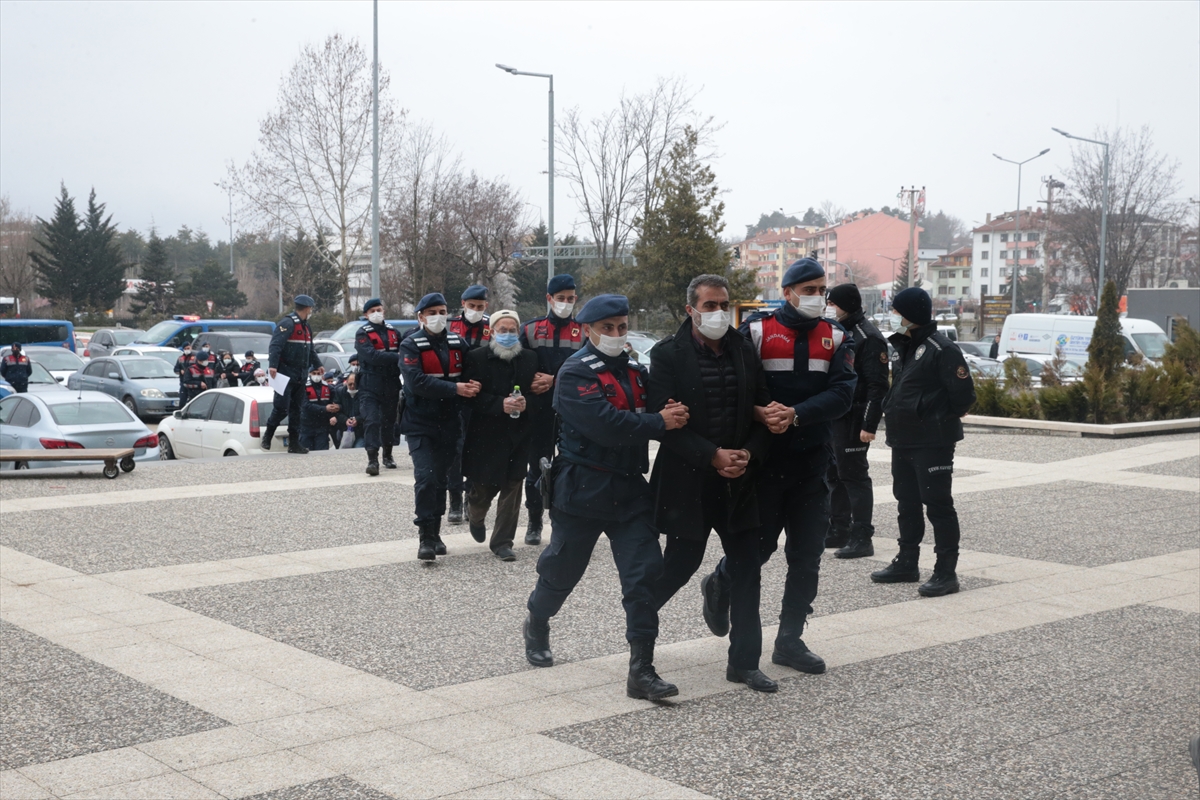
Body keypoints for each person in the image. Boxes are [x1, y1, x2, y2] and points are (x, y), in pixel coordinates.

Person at [524, 294, 690, 702]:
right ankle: (538, 619)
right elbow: (605, 425)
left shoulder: (635, 370)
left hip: (630, 491)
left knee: (644, 574)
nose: (617, 335)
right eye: (608, 329)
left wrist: (668, 409)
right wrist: (658, 422)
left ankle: (642, 670)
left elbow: (656, 404)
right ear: (588, 331)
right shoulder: (574, 372)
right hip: (582, 489)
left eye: (621, 327)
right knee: (563, 570)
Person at [700, 258, 856, 678]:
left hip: (812, 463)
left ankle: (789, 640)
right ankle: (720, 583)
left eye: (821, 289)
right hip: (765, 464)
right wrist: (757, 413)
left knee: (806, 556)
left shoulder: (837, 335)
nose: (817, 297)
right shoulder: (754, 330)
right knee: (758, 551)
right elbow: (734, 384)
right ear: (786, 292)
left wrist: (797, 414)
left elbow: (844, 393)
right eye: (807, 290)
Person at [647, 275, 776, 693]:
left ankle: (744, 663)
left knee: (747, 569)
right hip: (690, 480)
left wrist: (748, 455)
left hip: (738, 479)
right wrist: (711, 456)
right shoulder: (668, 355)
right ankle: (639, 647)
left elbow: (762, 406)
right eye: (709, 305)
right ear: (691, 310)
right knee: (678, 567)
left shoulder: (743, 348)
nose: (718, 312)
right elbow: (665, 425)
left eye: (723, 304)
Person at [871, 287, 976, 597]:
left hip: (933, 441)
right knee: (906, 502)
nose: (893, 317)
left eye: (897, 312)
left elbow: (964, 396)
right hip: (903, 439)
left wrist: (935, 417)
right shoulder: (904, 346)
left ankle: (946, 572)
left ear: (912, 315)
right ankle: (907, 561)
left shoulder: (941, 349)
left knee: (938, 505)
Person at [400, 292, 479, 560]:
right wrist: (455, 388)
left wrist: (474, 384)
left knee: (441, 479)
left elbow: (473, 370)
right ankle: (424, 535)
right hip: (420, 422)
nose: (438, 317)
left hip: (450, 422)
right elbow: (415, 382)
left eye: (442, 311)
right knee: (425, 477)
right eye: (432, 313)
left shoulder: (458, 342)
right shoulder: (411, 344)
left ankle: (435, 532)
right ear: (421, 317)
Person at [461, 309, 540, 561]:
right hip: (486, 434)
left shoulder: (530, 358)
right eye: (502, 330)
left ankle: (503, 542)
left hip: (519, 434)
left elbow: (540, 393)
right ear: (492, 332)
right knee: (484, 488)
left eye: (512, 330)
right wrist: (498, 404)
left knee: (514, 485)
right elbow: (470, 398)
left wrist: (528, 403)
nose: (507, 335)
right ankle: (474, 511)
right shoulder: (477, 358)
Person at [824, 283, 890, 559]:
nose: (829, 307)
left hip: (855, 416)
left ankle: (862, 536)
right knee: (834, 475)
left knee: (854, 476)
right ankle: (839, 528)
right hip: (836, 415)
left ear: (845, 305)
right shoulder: (840, 330)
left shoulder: (869, 336)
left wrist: (869, 425)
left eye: (832, 303)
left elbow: (877, 385)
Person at [519, 274, 584, 545]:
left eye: (570, 299)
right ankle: (534, 521)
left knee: (573, 467)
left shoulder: (584, 330)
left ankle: (567, 520)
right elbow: (519, 366)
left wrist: (555, 380)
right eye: (561, 299)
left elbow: (588, 368)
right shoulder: (531, 330)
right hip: (539, 411)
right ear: (549, 299)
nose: (566, 303)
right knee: (537, 467)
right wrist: (529, 382)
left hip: (573, 411)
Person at [446, 284, 492, 523]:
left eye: (480, 306)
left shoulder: (491, 327)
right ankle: (453, 498)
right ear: (463, 304)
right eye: (471, 306)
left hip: (481, 396)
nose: (475, 310)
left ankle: (470, 497)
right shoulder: (449, 325)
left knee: (476, 449)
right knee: (456, 448)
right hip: (455, 394)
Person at [264, 295, 322, 454]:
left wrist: (318, 364)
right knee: (281, 408)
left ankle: (294, 443)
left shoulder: (306, 327)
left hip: (300, 374)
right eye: (311, 309)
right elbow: (275, 345)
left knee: (297, 409)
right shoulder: (287, 323)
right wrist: (273, 366)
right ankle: (268, 434)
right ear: (307, 308)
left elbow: (310, 350)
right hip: (285, 373)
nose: (311, 311)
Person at [355, 298, 403, 475]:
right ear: (366, 314)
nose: (377, 313)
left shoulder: (394, 332)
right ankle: (372, 460)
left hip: (391, 382)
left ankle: (388, 455)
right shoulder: (362, 333)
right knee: (372, 420)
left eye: (379, 309)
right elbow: (371, 356)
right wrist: (395, 357)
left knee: (389, 422)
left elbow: (405, 354)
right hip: (370, 384)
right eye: (372, 310)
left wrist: (397, 357)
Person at [300, 364, 339, 451]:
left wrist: (335, 409)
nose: (316, 376)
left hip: (322, 427)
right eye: (314, 373)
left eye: (318, 373)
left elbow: (335, 400)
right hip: (306, 426)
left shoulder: (328, 388)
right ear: (310, 374)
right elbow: (305, 405)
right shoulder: (304, 387)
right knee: (306, 454)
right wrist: (325, 408)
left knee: (322, 453)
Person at [336, 368, 362, 448]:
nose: (352, 386)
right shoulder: (340, 392)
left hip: (361, 431)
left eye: (354, 384)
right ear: (346, 383)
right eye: (350, 384)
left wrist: (357, 419)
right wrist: (345, 420)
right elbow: (336, 411)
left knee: (358, 449)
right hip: (344, 430)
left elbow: (368, 411)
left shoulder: (363, 394)